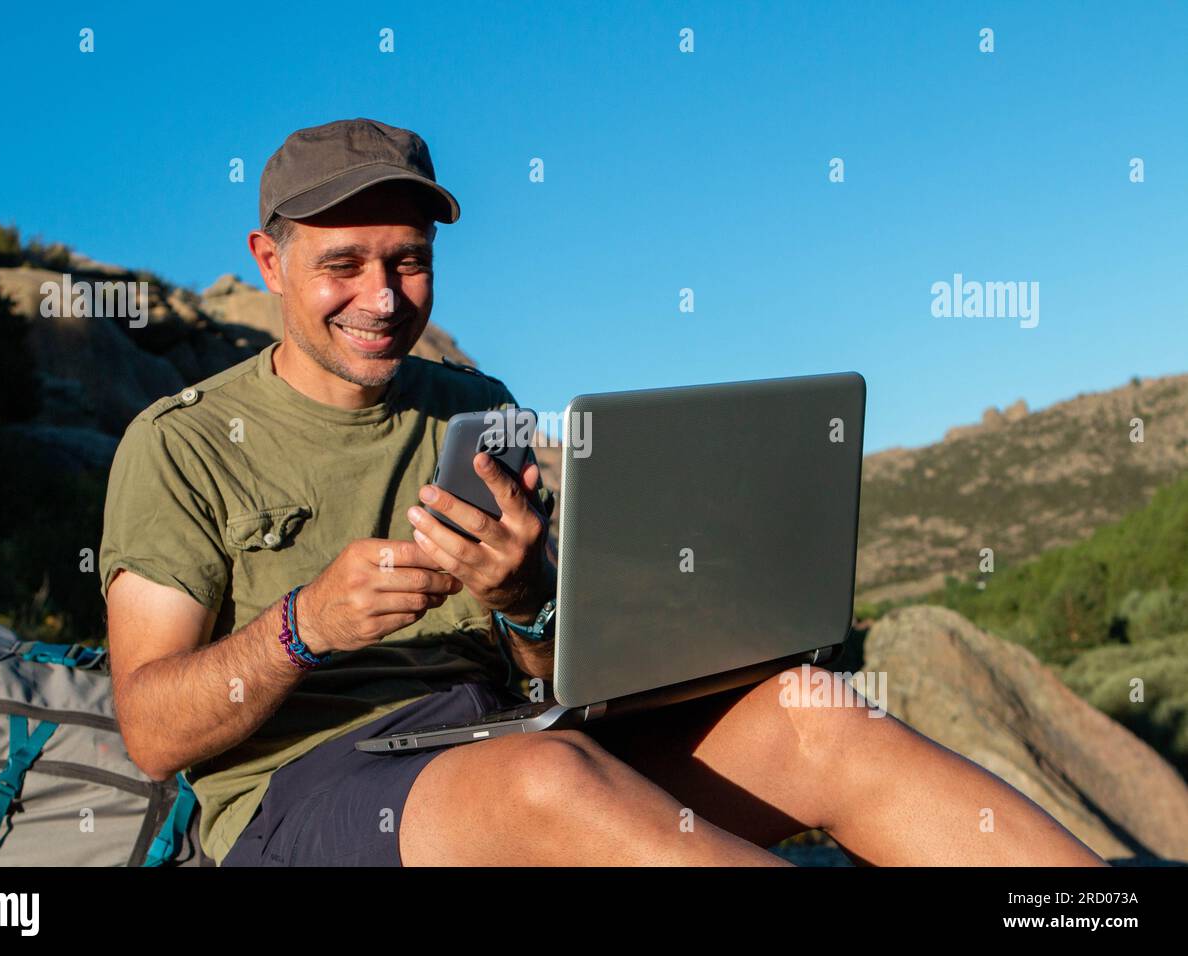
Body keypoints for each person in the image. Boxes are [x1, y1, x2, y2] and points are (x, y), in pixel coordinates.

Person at [100, 118, 1106, 867]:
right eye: (343, 264)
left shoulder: (473, 408)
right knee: (549, 778)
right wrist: (304, 623)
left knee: (810, 708)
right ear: (267, 261)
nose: (383, 297)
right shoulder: (181, 442)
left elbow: (547, 680)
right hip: (306, 797)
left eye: (408, 260)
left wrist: (528, 598)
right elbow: (150, 728)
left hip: (509, 736)